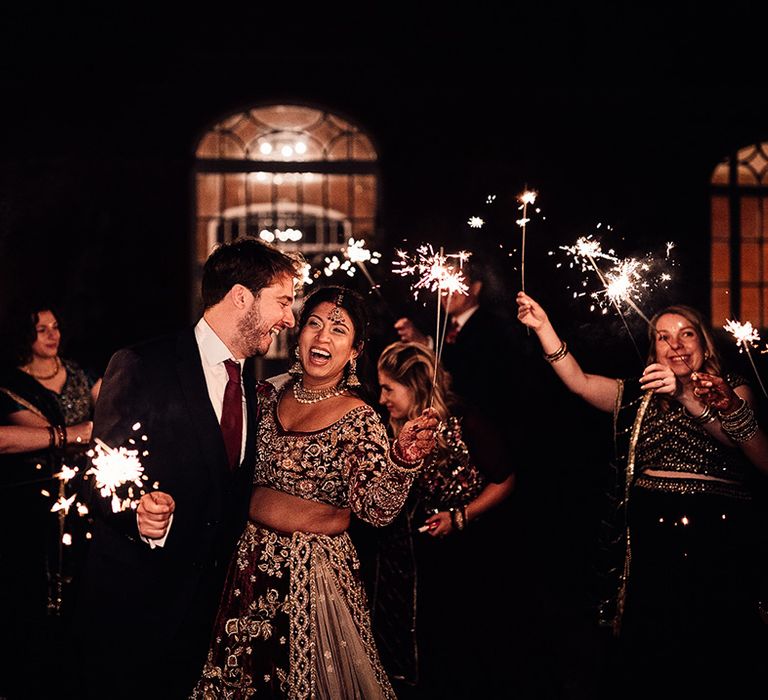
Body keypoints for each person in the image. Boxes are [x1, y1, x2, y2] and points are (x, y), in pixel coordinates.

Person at [73, 237, 301, 700]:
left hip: (206, 617)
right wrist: (135, 511)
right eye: (282, 301)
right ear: (241, 297)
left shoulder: (251, 387)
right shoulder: (142, 365)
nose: (289, 319)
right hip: (136, 609)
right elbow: (100, 474)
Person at [190, 285, 438, 700]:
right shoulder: (264, 396)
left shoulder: (359, 418)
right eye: (314, 324)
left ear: (355, 350)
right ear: (299, 334)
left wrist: (403, 460)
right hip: (244, 568)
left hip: (315, 576)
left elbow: (376, 511)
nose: (322, 337)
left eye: (338, 330)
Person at [516, 290, 768, 698]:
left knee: (713, 647)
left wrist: (685, 394)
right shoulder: (640, 396)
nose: (676, 345)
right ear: (653, 348)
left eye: (687, 335)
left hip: (715, 540)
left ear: (704, 343)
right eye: (664, 337)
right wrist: (544, 327)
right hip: (652, 544)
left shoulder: (731, 390)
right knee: (655, 650)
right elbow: (579, 383)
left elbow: (742, 442)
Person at [372, 341, 514, 698]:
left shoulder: (464, 421)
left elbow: (506, 479)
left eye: (389, 388)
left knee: (463, 646)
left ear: (415, 385)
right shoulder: (391, 428)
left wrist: (461, 517)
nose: (381, 398)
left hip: (469, 555)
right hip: (417, 559)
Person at [0, 305, 99, 699]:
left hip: (87, 492)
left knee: (83, 581)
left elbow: (111, 411)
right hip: (33, 499)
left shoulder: (80, 373)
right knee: (34, 585)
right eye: (42, 329)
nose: (51, 335)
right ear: (26, 336)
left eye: (55, 327)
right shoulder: (11, 384)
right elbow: (29, 434)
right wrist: (75, 433)